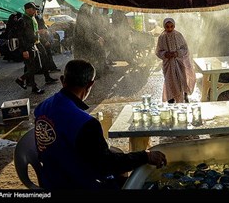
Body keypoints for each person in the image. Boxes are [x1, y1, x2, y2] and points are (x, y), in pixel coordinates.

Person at [34, 59, 167, 189]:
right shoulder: (85, 123)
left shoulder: (42, 107)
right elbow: (106, 165)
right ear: (90, 85)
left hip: (50, 180)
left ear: (63, 80)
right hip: (77, 183)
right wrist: (146, 155)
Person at [15, 2, 58, 94]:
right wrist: (24, 50)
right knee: (33, 66)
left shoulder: (32, 18)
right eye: (33, 9)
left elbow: (32, 32)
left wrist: (39, 32)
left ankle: (23, 79)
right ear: (27, 9)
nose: (35, 11)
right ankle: (30, 84)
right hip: (28, 46)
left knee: (39, 64)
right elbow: (21, 37)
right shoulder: (22, 20)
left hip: (35, 43)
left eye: (35, 9)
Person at [155, 17, 196, 103]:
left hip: (180, 63)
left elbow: (185, 49)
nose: (169, 28)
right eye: (167, 26)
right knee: (170, 81)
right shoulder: (162, 37)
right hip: (168, 64)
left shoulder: (178, 35)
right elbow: (158, 51)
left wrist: (177, 53)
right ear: (164, 26)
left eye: (171, 26)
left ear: (174, 26)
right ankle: (171, 98)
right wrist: (166, 54)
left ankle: (185, 96)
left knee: (182, 79)